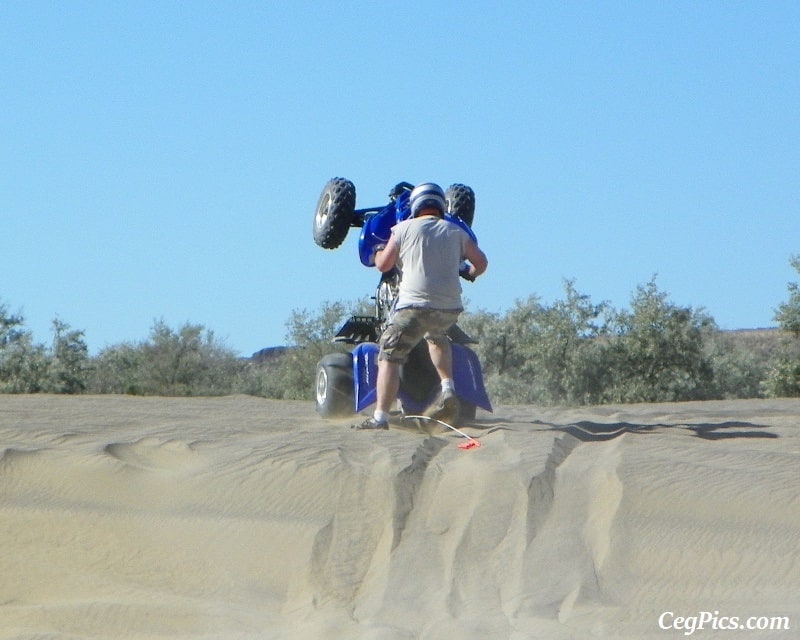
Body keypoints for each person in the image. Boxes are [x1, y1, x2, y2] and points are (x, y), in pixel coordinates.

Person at [353, 182, 488, 430]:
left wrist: (381, 250)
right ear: (440, 206)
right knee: (437, 338)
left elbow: (383, 265)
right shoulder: (456, 232)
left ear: (415, 206)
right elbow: (481, 262)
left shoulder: (402, 228)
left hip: (413, 306)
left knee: (389, 356)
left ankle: (380, 417)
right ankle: (447, 387)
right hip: (449, 308)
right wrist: (469, 271)